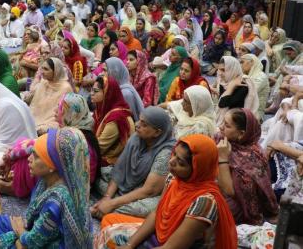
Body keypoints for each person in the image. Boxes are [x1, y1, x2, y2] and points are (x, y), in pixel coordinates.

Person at [98, 135, 237, 249]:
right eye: (174, 154)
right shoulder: (174, 179)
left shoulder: (204, 202)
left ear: (197, 169)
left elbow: (170, 247)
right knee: (109, 222)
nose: (171, 161)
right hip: (163, 235)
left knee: (111, 240)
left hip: (175, 245)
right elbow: (158, 213)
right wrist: (130, 244)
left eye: (181, 163)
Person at [0, 128, 92, 248]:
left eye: (36, 156)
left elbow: (33, 242)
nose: (29, 159)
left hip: (47, 244)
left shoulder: (56, 201)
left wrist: (20, 231)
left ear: (53, 165)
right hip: (38, 233)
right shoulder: (49, 180)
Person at [92, 107, 175, 220]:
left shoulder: (166, 153)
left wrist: (112, 203)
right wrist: (107, 197)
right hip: (129, 185)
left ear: (157, 132)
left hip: (148, 194)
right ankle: (108, 205)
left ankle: (104, 209)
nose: (137, 125)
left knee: (151, 208)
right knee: (97, 173)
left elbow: (149, 191)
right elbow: (119, 170)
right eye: (139, 120)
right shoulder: (138, 137)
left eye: (144, 124)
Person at [215, 108, 279, 225]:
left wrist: (222, 158)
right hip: (215, 187)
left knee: (214, 211)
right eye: (223, 122)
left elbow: (230, 191)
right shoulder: (220, 139)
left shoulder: (252, 157)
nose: (220, 127)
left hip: (238, 203)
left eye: (227, 126)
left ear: (241, 134)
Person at [92, 76, 135, 165]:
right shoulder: (101, 110)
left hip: (113, 163)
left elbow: (98, 148)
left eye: (96, 91)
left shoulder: (116, 118)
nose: (91, 93)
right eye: (92, 90)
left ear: (108, 93)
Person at [29, 57, 73, 133]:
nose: (42, 72)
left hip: (56, 121)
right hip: (38, 117)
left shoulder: (65, 88)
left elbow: (65, 115)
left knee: (46, 129)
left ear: (55, 71)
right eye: (42, 68)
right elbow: (35, 106)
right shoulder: (44, 82)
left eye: (46, 69)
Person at [215, 56, 259, 125]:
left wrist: (230, 88)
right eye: (219, 70)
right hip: (227, 119)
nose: (220, 73)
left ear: (233, 69)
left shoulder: (244, 85)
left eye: (223, 70)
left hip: (238, 122)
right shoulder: (223, 83)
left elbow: (222, 104)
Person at [241, 54, 269, 119]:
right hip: (242, 107)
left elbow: (248, 92)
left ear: (252, 62)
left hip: (255, 112)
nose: (240, 65)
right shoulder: (246, 75)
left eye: (242, 62)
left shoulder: (261, 76)